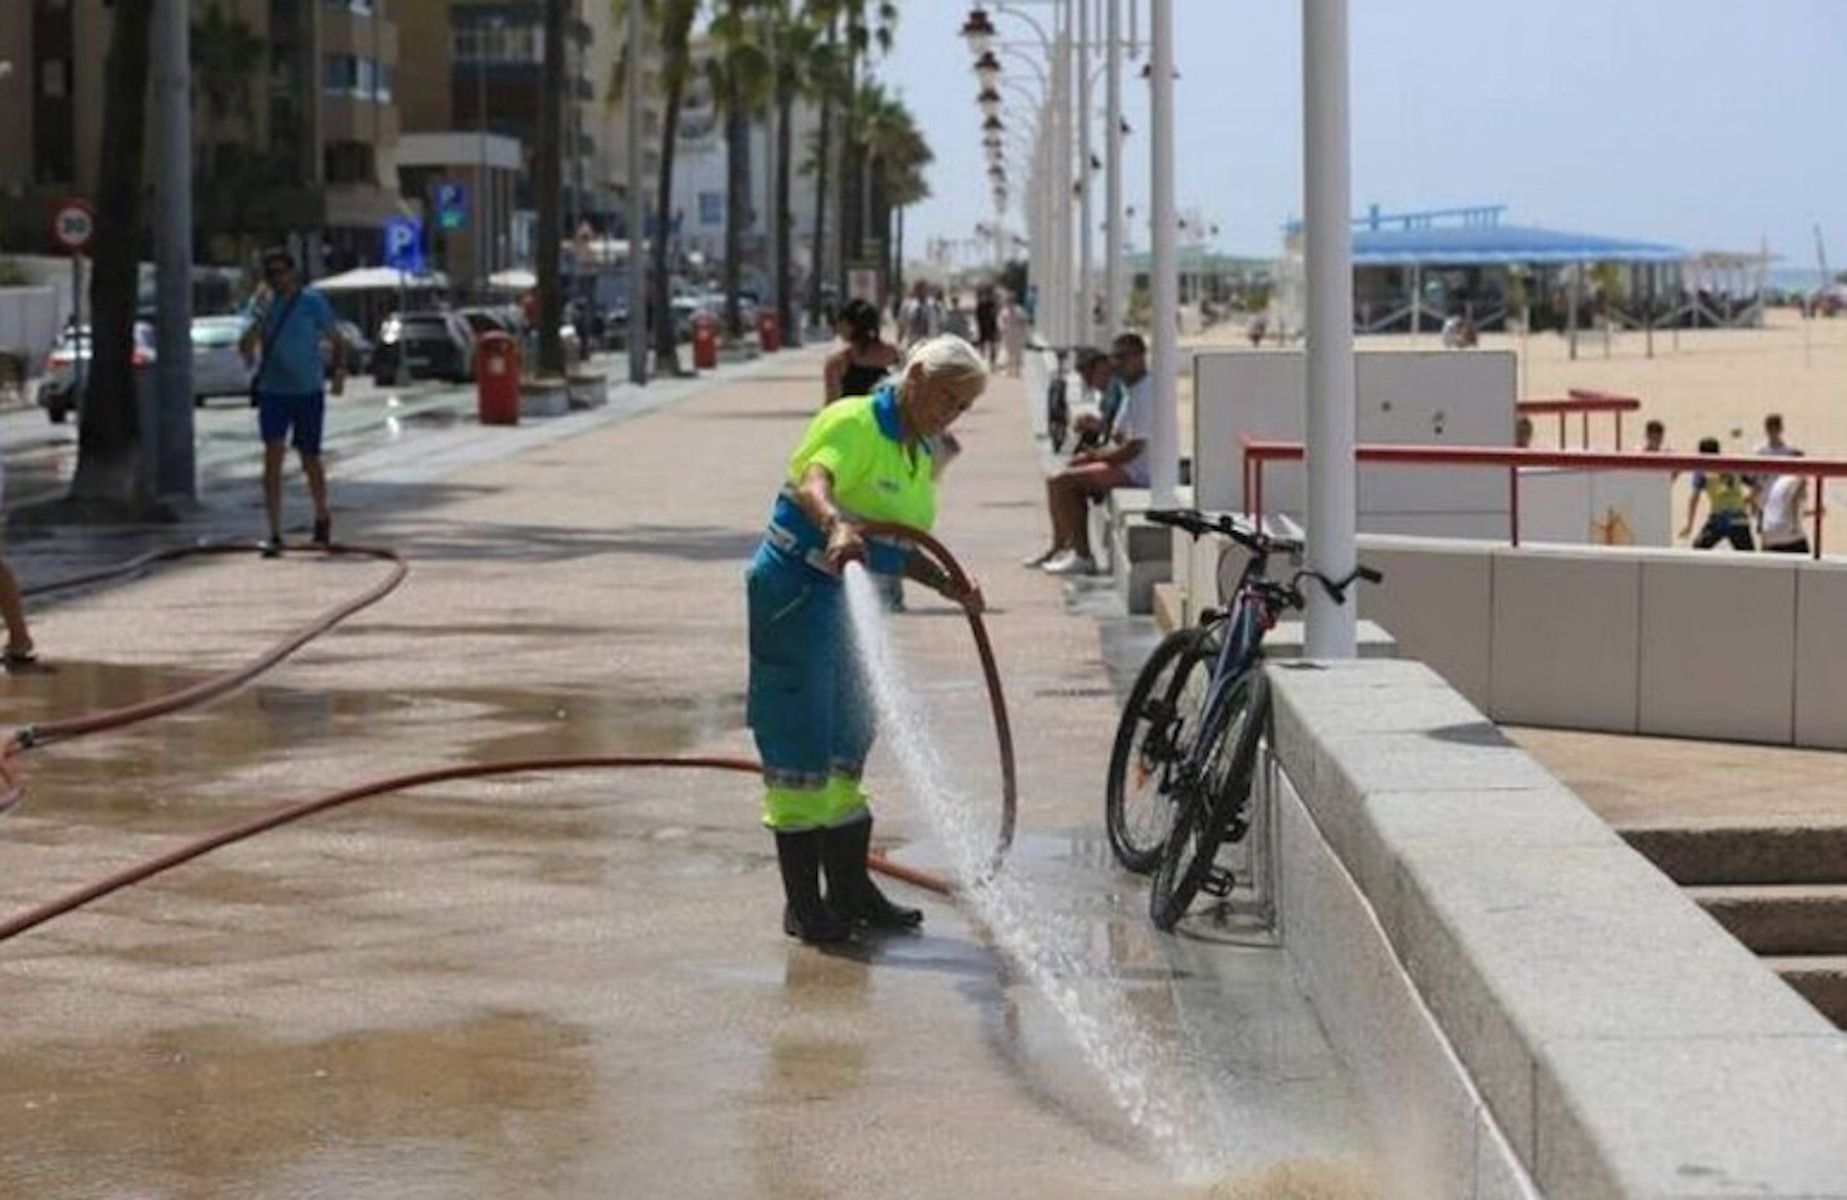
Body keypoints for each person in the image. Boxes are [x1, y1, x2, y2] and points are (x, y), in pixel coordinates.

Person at [746, 335, 988, 944]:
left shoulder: (916, 450)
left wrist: (948, 584)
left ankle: (850, 889)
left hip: (853, 601)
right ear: (918, 376)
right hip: (799, 590)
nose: (948, 413)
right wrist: (834, 526)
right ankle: (804, 905)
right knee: (801, 739)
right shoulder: (854, 421)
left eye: (961, 408)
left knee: (849, 737)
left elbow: (898, 547)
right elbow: (814, 481)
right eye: (946, 397)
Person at [240, 248, 346, 557]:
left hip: (308, 390)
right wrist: (257, 318)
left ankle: (322, 514)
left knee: (309, 457)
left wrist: (338, 370)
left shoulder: (312, 302)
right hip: (274, 391)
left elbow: (336, 338)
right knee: (273, 455)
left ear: (292, 273)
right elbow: (245, 348)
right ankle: (274, 531)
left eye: (281, 273)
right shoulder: (261, 304)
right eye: (270, 274)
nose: (277, 280)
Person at [1022, 332, 1150, 575]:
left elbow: (1133, 450)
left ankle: (1083, 555)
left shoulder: (1146, 393)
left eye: (1123, 357)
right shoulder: (1132, 391)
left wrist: (1096, 456)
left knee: (1065, 483)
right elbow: (1120, 435)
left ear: (1140, 357)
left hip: (1137, 473)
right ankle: (1059, 546)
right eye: (1115, 358)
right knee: (1057, 478)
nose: (1117, 364)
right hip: (1126, 466)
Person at [1680, 437, 1754, 551]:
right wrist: (1747, 500)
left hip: (1719, 518)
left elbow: (1694, 499)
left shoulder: (1702, 471)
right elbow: (1757, 486)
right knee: (1750, 559)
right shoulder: (1734, 466)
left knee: (1698, 550)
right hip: (1738, 518)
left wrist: (1689, 525)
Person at [823, 298, 899, 405]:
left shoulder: (838, 362)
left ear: (851, 326)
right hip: (886, 420)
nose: (838, 328)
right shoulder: (893, 355)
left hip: (853, 419)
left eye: (841, 322)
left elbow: (831, 405)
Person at [1758, 453, 1817, 555]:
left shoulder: (1776, 480)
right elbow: (1794, 499)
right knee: (1807, 564)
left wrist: (1811, 512)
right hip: (1788, 533)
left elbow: (1769, 507)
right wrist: (1794, 526)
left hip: (1769, 534)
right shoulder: (1799, 478)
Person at [1067, 347, 1121, 452]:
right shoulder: (1107, 396)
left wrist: (1096, 425)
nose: (1089, 384)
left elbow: (1123, 435)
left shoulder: (1117, 390)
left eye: (1089, 377)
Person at [1000, 290, 1028, 377]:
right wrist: (1002, 329)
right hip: (1008, 334)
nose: (1010, 302)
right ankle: (1010, 371)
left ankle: (1017, 371)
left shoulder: (1019, 310)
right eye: (1009, 301)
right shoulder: (1004, 311)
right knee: (1009, 352)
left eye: (1011, 300)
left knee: (1017, 353)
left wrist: (1024, 332)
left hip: (1017, 334)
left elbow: (1024, 321)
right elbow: (1001, 322)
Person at [974, 288, 1000, 367]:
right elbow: (977, 317)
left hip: (992, 327)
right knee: (982, 345)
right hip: (983, 328)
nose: (987, 296)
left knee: (993, 345)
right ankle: (982, 359)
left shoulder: (993, 304)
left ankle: (992, 362)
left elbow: (996, 315)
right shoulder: (981, 305)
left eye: (988, 295)